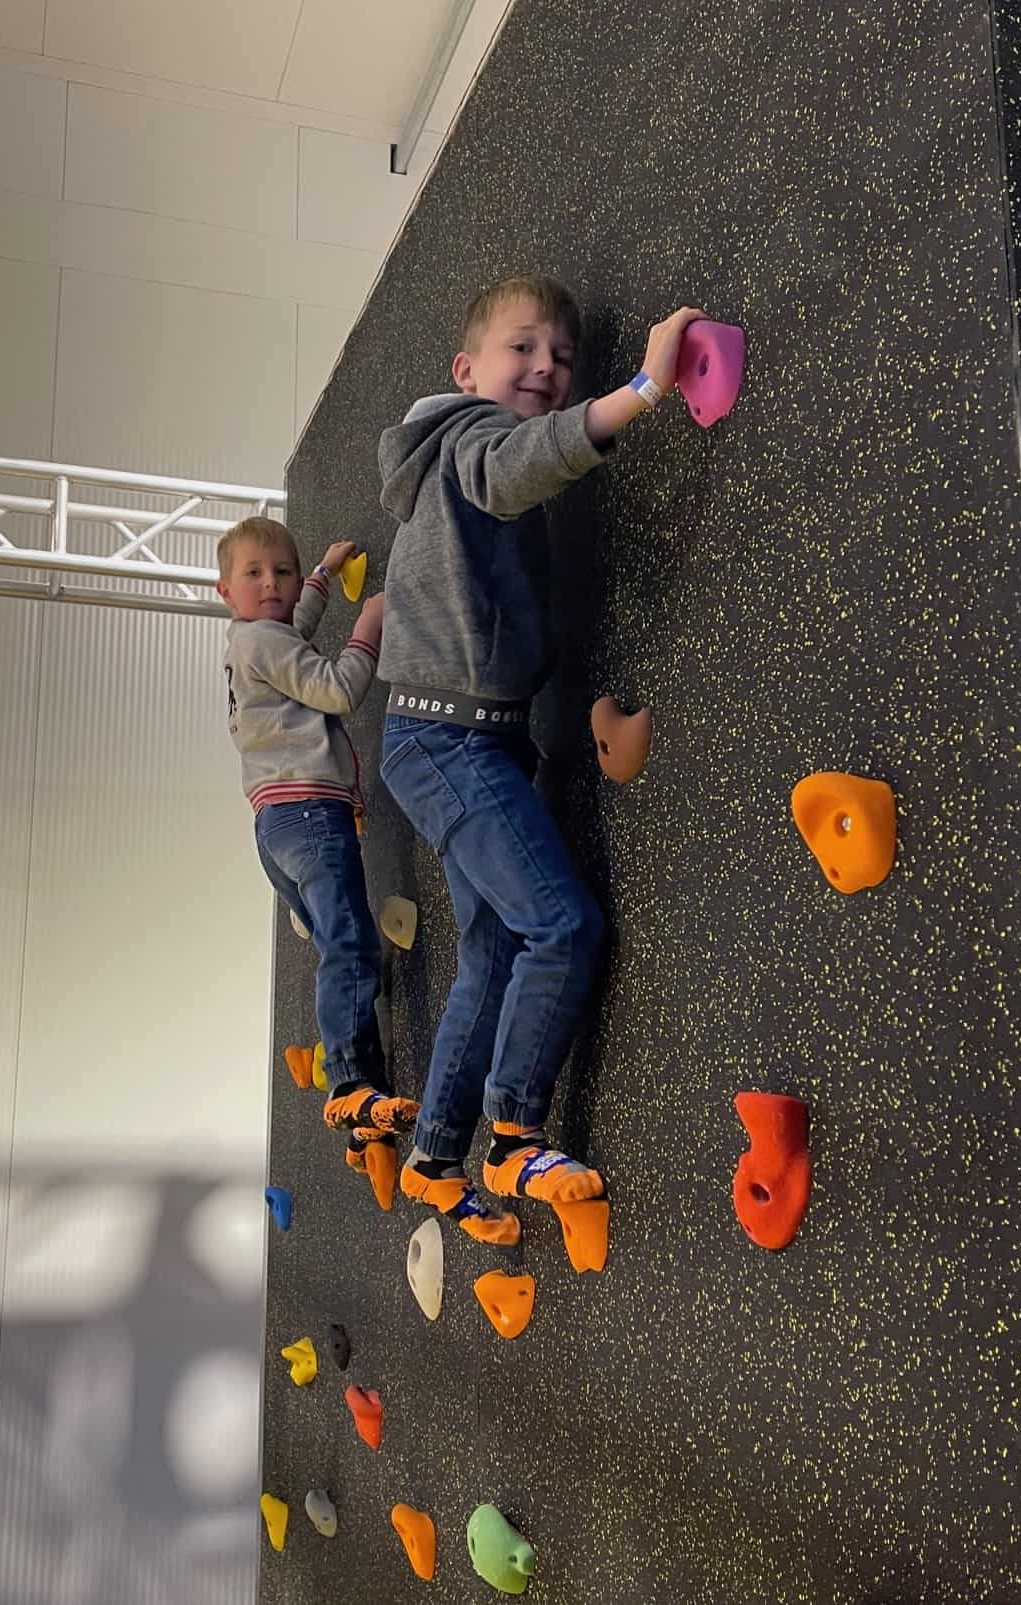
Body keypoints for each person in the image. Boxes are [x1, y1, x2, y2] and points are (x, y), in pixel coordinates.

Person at [377, 272, 703, 1243]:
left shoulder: (452, 458)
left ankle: (437, 1156)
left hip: (461, 738)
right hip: (448, 740)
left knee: (491, 948)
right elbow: (519, 464)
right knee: (560, 926)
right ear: (465, 368)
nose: (546, 367)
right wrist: (643, 388)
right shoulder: (467, 442)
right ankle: (513, 1133)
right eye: (522, 348)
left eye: (561, 357)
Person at [217, 515, 418, 1182]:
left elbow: (291, 628)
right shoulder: (262, 645)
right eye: (254, 575)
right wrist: (372, 620)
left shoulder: (251, 638)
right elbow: (336, 687)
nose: (271, 584)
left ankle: (365, 1118)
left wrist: (324, 576)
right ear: (225, 589)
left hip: (276, 825)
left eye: (281, 570)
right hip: (308, 814)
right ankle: (349, 1083)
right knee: (350, 947)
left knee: (346, 945)